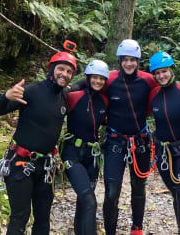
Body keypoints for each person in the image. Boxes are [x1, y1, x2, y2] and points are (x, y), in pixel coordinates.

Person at [0, 50, 77, 235]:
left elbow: (86, 83)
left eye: (69, 71)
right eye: (61, 69)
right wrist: (6, 96)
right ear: (51, 69)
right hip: (21, 163)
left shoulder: (65, 95)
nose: (65, 74)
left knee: (43, 217)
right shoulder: (31, 91)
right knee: (20, 216)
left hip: (45, 167)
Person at [102, 39, 157, 235]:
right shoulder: (109, 80)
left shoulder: (147, 80)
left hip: (140, 141)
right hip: (115, 141)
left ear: (138, 61)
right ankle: (110, 231)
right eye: (125, 59)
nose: (128, 63)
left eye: (132, 60)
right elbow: (89, 87)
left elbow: (169, 89)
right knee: (111, 191)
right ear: (120, 61)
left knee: (139, 187)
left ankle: (137, 228)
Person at [147, 51, 180, 235]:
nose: (161, 76)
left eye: (164, 71)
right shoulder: (153, 95)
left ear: (171, 70)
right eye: (157, 73)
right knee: (176, 193)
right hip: (163, 151)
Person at [61, 60, 109, 235]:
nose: (97, 81)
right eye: (94, 77)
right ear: (88, 78)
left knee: (83, 201)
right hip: (72, 153)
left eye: (101, 78)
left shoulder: (104, 101)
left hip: (93, 156)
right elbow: (51, 110)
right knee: (90, 201)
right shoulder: (74, 96)